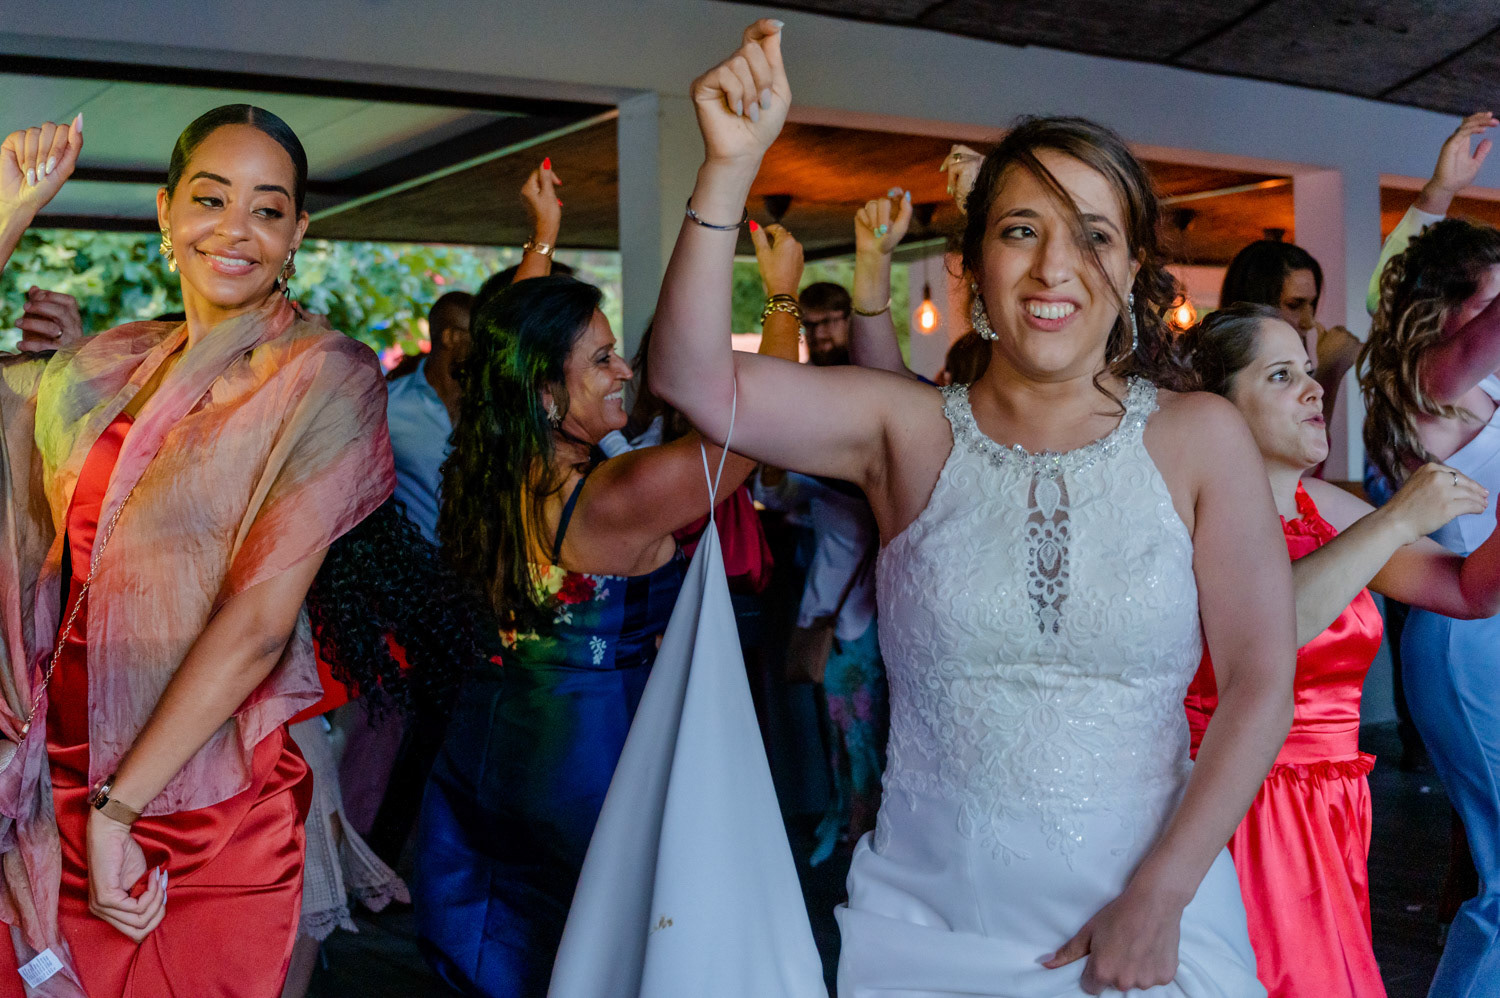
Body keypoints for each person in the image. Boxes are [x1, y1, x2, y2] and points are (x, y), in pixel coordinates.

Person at [651, 21, 1294, 997]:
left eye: (1094, 235)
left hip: (1145, 925)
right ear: (975, 263)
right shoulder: (901, 429)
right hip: (928, 929)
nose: (1054, 267)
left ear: (1131, 270)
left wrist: (1162, 894)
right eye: (1021, 230)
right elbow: (692, 378)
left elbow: (1259, 682)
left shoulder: (1201, 437)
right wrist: (729, 169)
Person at [0, 106, 408, 996]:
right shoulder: (114, 366)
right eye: (211, 199)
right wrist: (9, 214)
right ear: (165, 211)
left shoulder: (321, 374)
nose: (235, 229)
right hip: (55, 778)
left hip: (201, 797)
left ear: (298, 233)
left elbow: (260, 625)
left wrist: (119, 810)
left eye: (267, 209)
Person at [411, 247, 800, 993]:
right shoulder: (617, 496)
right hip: (589, 757)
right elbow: (760, 425)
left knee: (510, 945)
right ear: (545, 392)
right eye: (601, 360)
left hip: (489, 743)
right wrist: (781, 298)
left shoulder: (483, 471)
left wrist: (542, 245)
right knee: (600, 953)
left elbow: (511, 344)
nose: (624, 370)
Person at [1180, 303, 1500, 998]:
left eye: (1308, 369)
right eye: (1281, 375)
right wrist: (1396, 519)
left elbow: (1469, 591)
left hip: (1331, 809)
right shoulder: (1190, 512)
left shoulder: (1322, 506)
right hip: (1243, 807)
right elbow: (1265, 631)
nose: (1314, 389)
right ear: (1217, 410)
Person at [1360, 212, 1500, 996]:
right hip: (1464, 639)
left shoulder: (1483, 387)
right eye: (1489, 299)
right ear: (1444, 306)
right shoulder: (1426, 383)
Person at [1220, 240, 1358, 428]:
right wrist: (1330, 371)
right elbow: (1307, 443)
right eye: (1294, 305)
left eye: (1312, 304)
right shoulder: (1233, 379)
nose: (1308, 322)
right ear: (1257, 305)